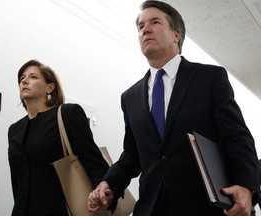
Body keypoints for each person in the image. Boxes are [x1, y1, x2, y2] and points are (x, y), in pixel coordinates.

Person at [88, 1, 260, 216]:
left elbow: (237, 136)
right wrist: (108, 183)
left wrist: (247, 186)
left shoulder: (209, 78)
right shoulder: (130, 97)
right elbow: (132, 155)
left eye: (155, 22)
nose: (145, 29)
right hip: (152, 208)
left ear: (176, 35)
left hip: (204, 206)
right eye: (141, 26)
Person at [8, 59, 109, 216]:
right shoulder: (15, 130)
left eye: (33, 77)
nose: (25, 81)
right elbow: (17, 181)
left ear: (50, 87)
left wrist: (104, 192)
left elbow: (94, 162)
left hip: (62, 210)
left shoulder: (67, 114)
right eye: (22, 79)